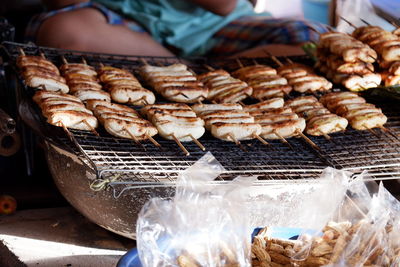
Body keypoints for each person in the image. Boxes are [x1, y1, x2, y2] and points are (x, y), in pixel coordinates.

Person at [25, 0, 330, 58]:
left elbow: (222, 5)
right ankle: (181, 71)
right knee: (62, 30)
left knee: (318, 41)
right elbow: (62, 3)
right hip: (125, 29)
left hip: (216, 28)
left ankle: (214, 75)